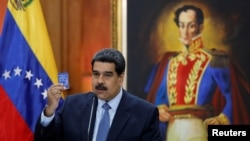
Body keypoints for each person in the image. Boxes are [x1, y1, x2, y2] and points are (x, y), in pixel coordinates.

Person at [145, 5, 234, 141]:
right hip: (172, 129)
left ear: (200, 27)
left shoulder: (213, 60)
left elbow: (232, 96)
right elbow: (160, 100)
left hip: (197, 128)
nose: (185, 32)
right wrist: (160, 111)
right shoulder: (170, 63)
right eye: (181, 26)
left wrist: (222, 119)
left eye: (191, 26)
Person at [34, 48, 162, 141]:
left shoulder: (144, 113)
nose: (100, 81)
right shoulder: (72, 105)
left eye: (107, 75)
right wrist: (50, 111)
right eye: (96, 74)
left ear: (120, 78)